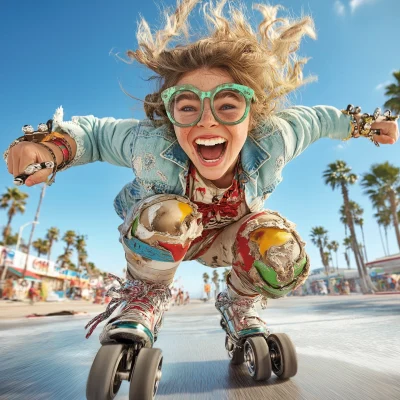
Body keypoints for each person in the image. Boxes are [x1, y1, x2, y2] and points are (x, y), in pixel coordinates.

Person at [4, 0, 398, 349]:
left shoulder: (276, 137)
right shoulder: (150, 144)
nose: (207, 120)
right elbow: (95, 134)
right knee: (171, 212)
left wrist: (365, 126)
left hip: (229, 239)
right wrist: (49, 147)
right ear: (170, 114)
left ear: (253, 114)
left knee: (282, 248)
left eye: (228, 105)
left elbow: (320, 119)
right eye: (187, 106)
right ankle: (145, 293)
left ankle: (240, 303)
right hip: (166, 235)